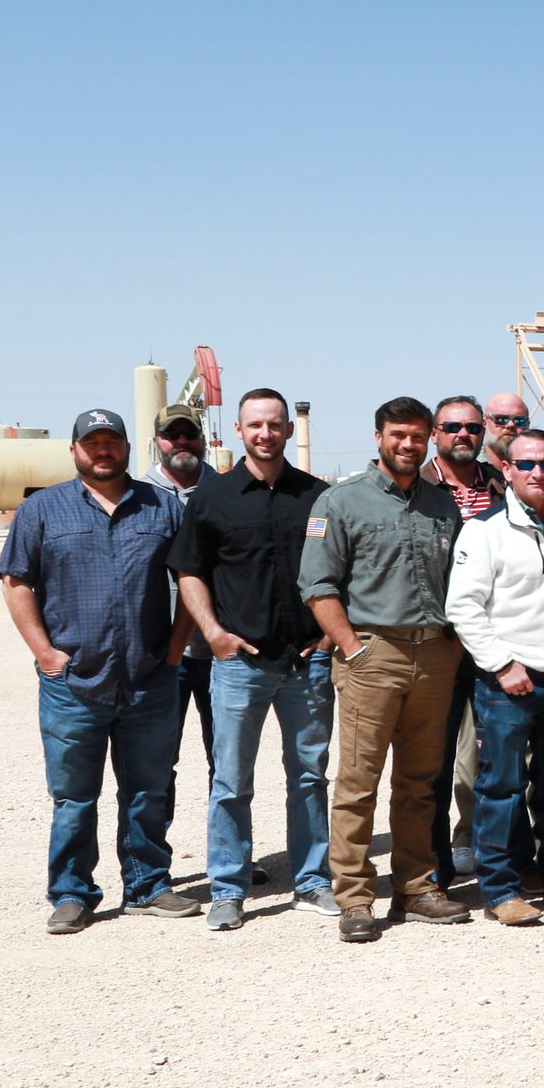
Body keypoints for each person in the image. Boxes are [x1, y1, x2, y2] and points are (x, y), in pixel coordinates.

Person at [0, 408, 197, 934]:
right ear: (74, 451)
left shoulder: (162, 507)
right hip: (73, 683)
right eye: (93, 443)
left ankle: (148, 885)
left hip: (149, 679)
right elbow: (16, 582)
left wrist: (175, 649)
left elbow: (192, 578)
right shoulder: (43, 509)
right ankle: (72, 892)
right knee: (73, 797)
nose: (103, 451)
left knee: (149, 791)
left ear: (128, 448)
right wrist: (45, 653)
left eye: (112, 442)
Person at [298, 396, 471, 943]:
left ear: (428, 439)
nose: (408, 445)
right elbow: (317, 584)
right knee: (358, 782)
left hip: (435, 655)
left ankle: (416, 887)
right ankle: (354, 896)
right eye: (398, 435)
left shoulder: (441, 505)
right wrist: (352, 648)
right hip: (373, 655)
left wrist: (454, 646)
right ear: (378, 437)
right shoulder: (341, 501)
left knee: (420, 782)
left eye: (417, 436)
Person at [170, 389, 337, 929]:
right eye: (255, 425)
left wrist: (330, 635)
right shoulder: (213, 497)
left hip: (307, 662)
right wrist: (214, 634)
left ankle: (312, 881)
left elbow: (343, 568)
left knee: (309, 776)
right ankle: (227, 888)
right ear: (239, 431)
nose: (265, 433)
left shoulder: (317, 496)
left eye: (274, 424)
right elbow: (189, 571)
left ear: (288, 429)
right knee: (232, 781)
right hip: (240, 664)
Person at [447, 428, 544, 924]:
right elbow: (464, 606)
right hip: (507, 685)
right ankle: (501, 890)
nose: (538, 473)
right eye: (527, 464)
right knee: (501, 789)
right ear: (507, 470)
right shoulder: (485, 530)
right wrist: (501, 665)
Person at [425, 395, 504, 886]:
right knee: (432, 759)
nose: (463, 435)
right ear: (435, 432)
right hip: (436, 643)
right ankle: (433, 865)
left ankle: (490, 849)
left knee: (495, 754)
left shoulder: (501, 485)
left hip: (492, 642)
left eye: (473, 428)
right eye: (453, 426)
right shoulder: (418, 487)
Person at [146, 402, 219, 781]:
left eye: (189, 433)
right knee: (156, 763)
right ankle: (155, 826)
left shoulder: (227, 493)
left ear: (202, 438)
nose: (181, 441)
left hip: (221, 655)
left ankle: (222, 826)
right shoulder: (138, 497)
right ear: (157, 441)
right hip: (160, 658)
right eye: (171, 435)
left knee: (226, 763)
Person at [482, 391, 532, 477]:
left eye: (519, 421)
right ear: (484, 423)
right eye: (501, 419)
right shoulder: (467, 471)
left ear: (528, 425)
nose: (511, 425)